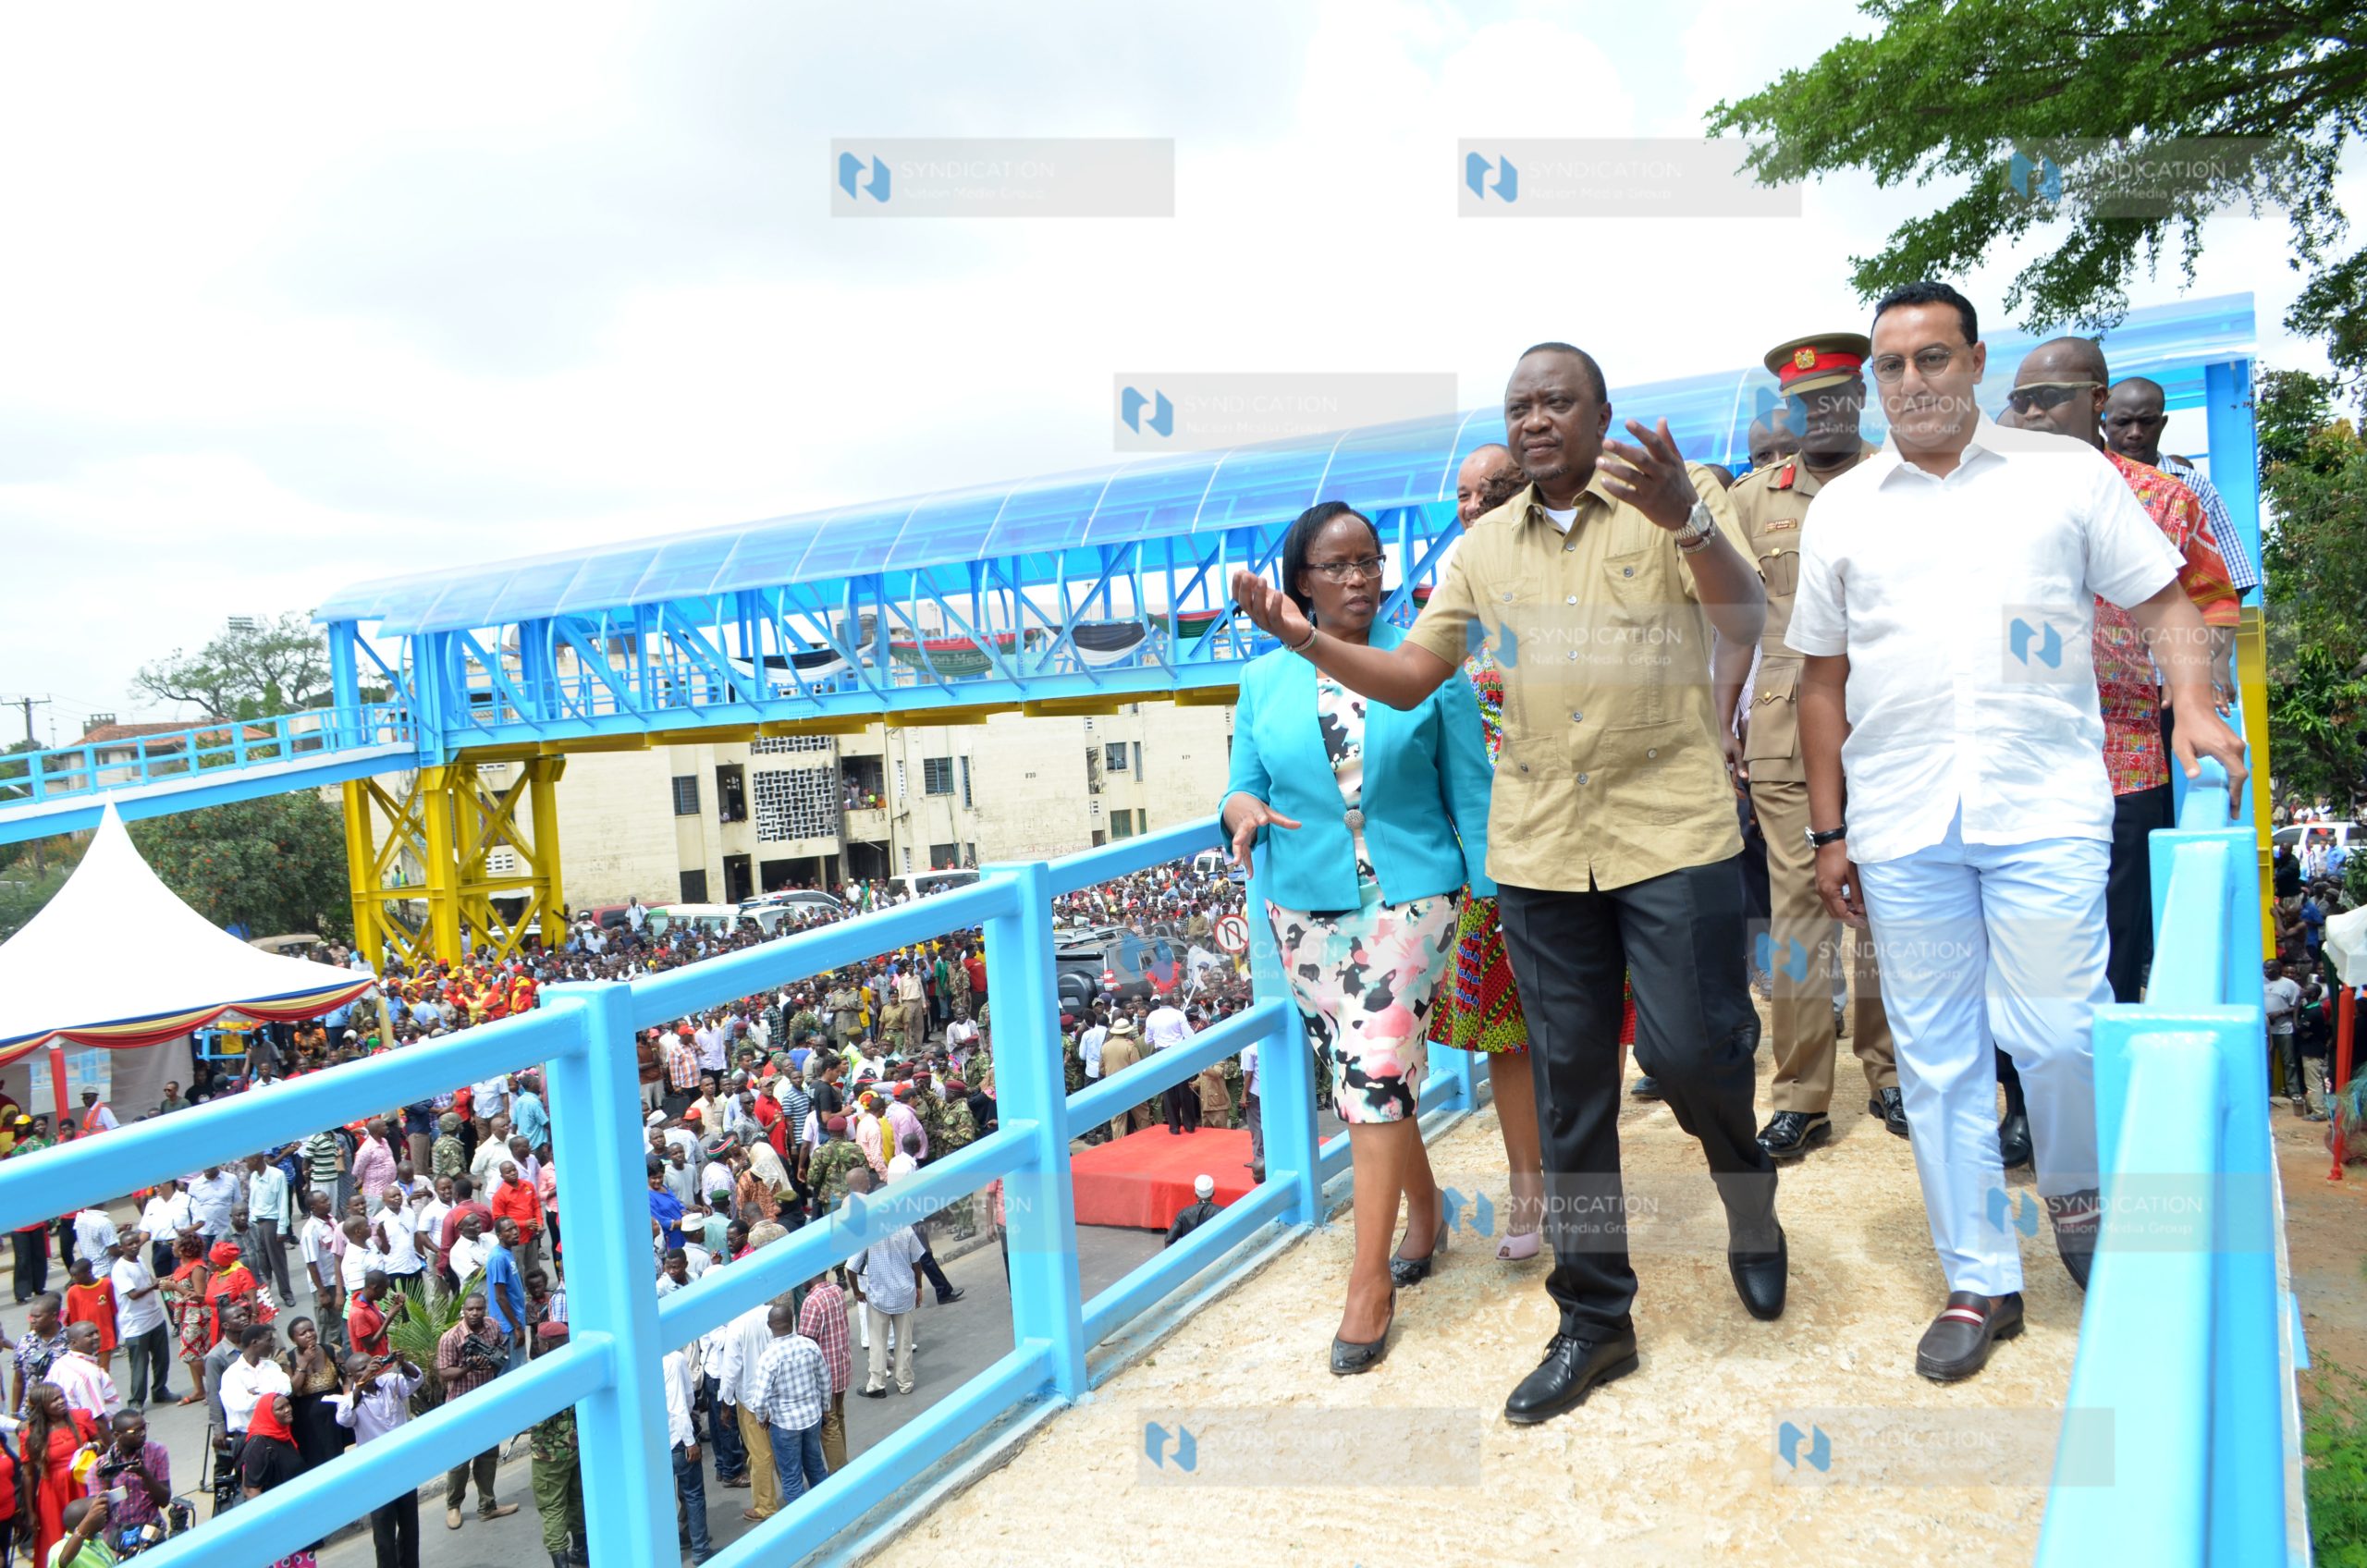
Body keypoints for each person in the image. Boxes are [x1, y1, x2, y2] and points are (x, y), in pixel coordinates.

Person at [1230, 342, 1785, 1421]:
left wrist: (1690, 519)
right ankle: (1594, 1318)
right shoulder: (1483, 548)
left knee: (1688, 1050)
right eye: (1518, 405)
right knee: (1572, 1084)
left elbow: (1743, 621)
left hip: (1670, 830)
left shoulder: (1674, 503)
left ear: (1599, 413)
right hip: (1539, 850)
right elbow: (1407, 677)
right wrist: (1307, 644)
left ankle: (1746, 1194)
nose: (1535, 420)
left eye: (1556, 402)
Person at [1788, 281, 2249, 1382]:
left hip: (2043, 802)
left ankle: (2080, 1204)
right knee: (1939, 1058)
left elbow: (2169, 605)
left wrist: (2192, 707)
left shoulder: (2067, 476)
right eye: (1891, 367)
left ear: (1976, 362)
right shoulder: (1843, 507)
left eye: (1933, 359)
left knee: (2058, 1031)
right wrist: (1828, 830)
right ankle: (1979, 1277)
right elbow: (1819, 682)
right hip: (1900, 820)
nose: (1912, 383)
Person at [1221, 497, 1495, 1375]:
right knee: (1367, 1076)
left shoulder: (1427, 662)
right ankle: (1428, 1211)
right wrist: (1241, 809)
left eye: (1370, 561)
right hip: (1303, 906)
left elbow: (1473, 793)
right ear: (1301, 580)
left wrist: (1496, 904)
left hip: (1414, 896)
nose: (1359, 578)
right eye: (1337, 566)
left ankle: (1366, 1284)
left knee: (1375, 1065)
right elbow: (1240, 783)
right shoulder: (1264, 681)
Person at [2008, 336, 2238, 1007]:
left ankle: (2103, 1090)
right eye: (2021, 402)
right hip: (2022, 756)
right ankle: (2023, 1104)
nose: (2031, 414)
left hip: (2127, 757)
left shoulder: (2161, 500)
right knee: (2020, 938)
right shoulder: (1992, 498)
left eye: (2048, 399)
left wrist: (2193, 691)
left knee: (2112, 937)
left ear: (2096, 400)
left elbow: (2214, 605)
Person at [1725, 334, 1905, 1158]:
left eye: (1836, 397)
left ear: (1860, 397)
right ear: (1788, 411)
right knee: (1799, 919)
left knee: (1885, 909)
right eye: (1806, 402)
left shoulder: (1900, 479)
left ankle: (1891, 1072)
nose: (1821, 413)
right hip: (1785, 732)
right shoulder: (1751, 500)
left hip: (1893, 722)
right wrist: (1719, 719)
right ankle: (1800, 1093)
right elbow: (1724, 619)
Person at [1423, 440, 1551, 1255]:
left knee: (1585, 1022)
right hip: (1489, 860)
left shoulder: (1557, 583)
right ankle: (1527, 1193)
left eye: (1494, 490)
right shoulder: (1446, 609)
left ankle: (1582, 1181)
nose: (1475, 507)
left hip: (1577, 840)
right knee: (1507, 1031)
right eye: (1464, 496)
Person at [2103, 375, 2261, 638]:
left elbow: (2235, 578)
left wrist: (2211, 656)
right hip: (2105, 665)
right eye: (2123, 422)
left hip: (2177, 661)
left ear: (2162, 424)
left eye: (2146, 421)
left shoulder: (2193, 488)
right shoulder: (2090, 485)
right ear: (2104, 425)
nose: (2135, 432)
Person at [435, 1293, 520, 1529]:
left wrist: (492, 1361)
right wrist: (468, 1367)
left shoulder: (492, 1327)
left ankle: (488, 1506)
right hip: (461, 1404)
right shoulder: (450, 1338)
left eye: (479, 1308)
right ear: (464, 1310)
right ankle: (453, 1506)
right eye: (470, 1309)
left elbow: (502, 1352)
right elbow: (444, 1373)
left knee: (488, 1456)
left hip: (487, 1401)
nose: (475, 1313)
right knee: (459, 1461)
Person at [332, 1349, 423, 1568]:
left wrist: (403, 1363)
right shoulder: (351, 1400)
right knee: (383, 1534)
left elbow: (416, 1380)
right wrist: (361, 1386)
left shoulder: (390, 1382)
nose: (369, 1370)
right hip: (377, 1473)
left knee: (410, 1526)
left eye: (370, 1364)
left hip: (402, 1465)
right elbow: (344, 1418)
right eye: (361, 1369)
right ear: (352, 1376)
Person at [749, 1304, 829, 1505]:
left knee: (792, 1478)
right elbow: (825, 1381)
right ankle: (828, 1510)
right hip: (812, 1417)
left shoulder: (768, 1357)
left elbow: (759, 1400)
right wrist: (825, 1408)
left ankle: (803, 1524)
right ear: (793, 1319)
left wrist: (761, 1418)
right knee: (816, 1466)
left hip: (784, 1425)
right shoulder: (809, 1346)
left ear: (770, 1326)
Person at [19, 1383, 97, 1568]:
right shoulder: (30, 1434)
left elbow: (101, 1441)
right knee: (56, 1539)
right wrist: (30, 1512)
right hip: (54, 1493)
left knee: (91, 1532)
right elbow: (28, 1475)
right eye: (54, 1400)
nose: (61, 1401)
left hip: (84, 1484)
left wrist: (95, 1447)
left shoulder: (81, 1417)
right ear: (41, 1407)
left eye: (62, 1396)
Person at [848, 1217, 926, 1399]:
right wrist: (919, 1287)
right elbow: (917, 1263)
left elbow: (851, 1268)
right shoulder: (906, 1229)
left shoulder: (866, 1234)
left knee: (877, 1342)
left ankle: (877, 1385)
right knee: (904, 1341)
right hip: (904, 1294)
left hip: (879, 1296)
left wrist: (857, 1292)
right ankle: (905, 1383)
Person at [530, 1321, 587, 1568]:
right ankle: (582, 1551)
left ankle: (561, 1562)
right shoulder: (575, 1367)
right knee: (576, 1499)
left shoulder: (540, 1375)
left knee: (552, 1508)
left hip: (548, 1455)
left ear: (545, 1344)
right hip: (575, 1448)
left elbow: (534, 1418)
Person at [795, 1267, 852, 1474]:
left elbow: (806, 1343)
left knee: (828, 1426)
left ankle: (839, 1471)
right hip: (842, 1364)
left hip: (824, 1374)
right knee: (838, 1417)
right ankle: (842, 1461)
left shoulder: (812, 1301)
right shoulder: (836, 1290)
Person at [663, 1345, 715, 1564]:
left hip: (656, 1440)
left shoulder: (641, 1356)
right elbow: (679, 1405)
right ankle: (701, 1550)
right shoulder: (674, 1360)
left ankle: (680, 1537)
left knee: (667, 1497)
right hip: (678, 1437)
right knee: (693, 1494)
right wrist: (690, 1441)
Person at [107, 1238, 173, 1408]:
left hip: (154, 1317)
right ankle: (136, 1401)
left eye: (136, 1242)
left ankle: (160, 1390)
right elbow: (133, 1294)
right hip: (135, 1324)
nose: (135, 1246)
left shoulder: (140, 1260)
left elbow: (151, 1281)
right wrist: (154, 1286)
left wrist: (168, 1280)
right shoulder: (120, 1269)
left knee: (161, 1359)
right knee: (139, 1365)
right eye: (130, 1244)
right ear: (122, 1248)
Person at [279, 1316, 350, 1472]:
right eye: (303, 1333)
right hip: (308, 1420)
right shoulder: (288, 1360)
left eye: (311, 1330)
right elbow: (292, 1390)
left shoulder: (331, 1349)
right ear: (293, 1339)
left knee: (340, 1453)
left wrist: (347, 1395)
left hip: (335, 1411)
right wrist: (303, 1364)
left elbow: (346, 1376)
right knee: (317, 1458)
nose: (309, 1334)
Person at [94, 1408, 170, 1540]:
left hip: (151, 1529)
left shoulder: (157, 1452)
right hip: (117, 1537)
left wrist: (145, 1474)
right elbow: (98, 1515)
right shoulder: (100, 1466)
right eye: (135, 1432)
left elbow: (164, 1501)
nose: (142, 1434)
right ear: (117, 1435)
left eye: (144, 1428)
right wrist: (107, 1481)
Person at [158, 1240, 214, 1408]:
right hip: (185, 1315)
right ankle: (199, 1389)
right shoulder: (183, 1265)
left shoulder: (197, 1268)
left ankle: (217, 1384)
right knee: (195, 1352)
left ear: (185, 1249)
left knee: (189, 1354)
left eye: (175, 1245)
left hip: (196, 1316)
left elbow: (201, 1295)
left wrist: (175, 1287)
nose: (172, 1248)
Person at [1096, 1019, 1155, 1140]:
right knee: (1142, 1115)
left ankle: (1119, 1145)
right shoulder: (1129, 1046)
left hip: (1112, 1086)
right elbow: (1137, 1068)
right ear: (1126, 1032)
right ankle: (1146, 1140)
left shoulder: (1105, 1047)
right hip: (1131, 1087)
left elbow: (1101, 1068)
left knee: (1117, 1120)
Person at [61, 1260, 116, 1377]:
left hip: (104, 1337)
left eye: (76, 1275)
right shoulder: (73, 1292)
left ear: (88, 1272)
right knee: (88, 1372)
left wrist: (113, 1337)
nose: (74, 1279)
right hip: (84, 1341)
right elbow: (74, 1321)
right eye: (72, 1276)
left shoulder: (106, 1284)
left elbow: (113, 1312)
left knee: (104, 1372)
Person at [47, 1494, 114, 1568]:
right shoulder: (58, 1548)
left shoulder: (95, 1538)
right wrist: (87, 1522)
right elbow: (64, 1560)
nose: (104, 1515)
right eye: (98, 1514)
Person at [1164, 1175, 1221, 1247]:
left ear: (1195, 1194)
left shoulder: (1184, 1214)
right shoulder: (1223, 1213)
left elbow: (1169, 1240)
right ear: (1213, 1193)